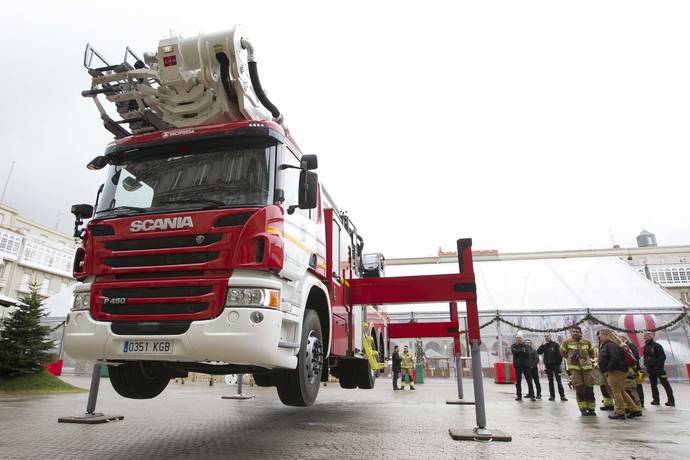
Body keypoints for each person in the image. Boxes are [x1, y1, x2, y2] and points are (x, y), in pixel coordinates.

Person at [598, 329, 642, 419]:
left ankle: (620, 412)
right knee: (621, 391)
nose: (599, 336)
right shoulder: (613, 344)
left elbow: (615, 357)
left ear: (606, 335)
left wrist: (608, 369)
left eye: (601, 335)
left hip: (615, 371)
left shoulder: (610, 345)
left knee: (616, 392)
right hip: (620, 370)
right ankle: (634, 409)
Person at [560, 326, 597, 416]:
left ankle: (591, 408)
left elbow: (592, 353)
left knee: (589, 388)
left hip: (587, 368)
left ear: (580, 332)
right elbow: (563, 353)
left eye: (577, 332)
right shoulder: (566, 342)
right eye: (573, 332)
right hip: (574, 368)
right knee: (579, 388)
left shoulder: (587, 342)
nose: (575, 333)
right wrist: (570, 358)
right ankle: (583, 408)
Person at [643, 331, 675, 407]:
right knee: (653, 385)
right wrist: (646, 364)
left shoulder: (657, 346)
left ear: (650, 336)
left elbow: (663, 357)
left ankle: (671, 400)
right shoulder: (645, 347)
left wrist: (657, 365)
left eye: (645, 336)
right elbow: (645, 357)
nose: (644, 337)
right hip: (650, 369)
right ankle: (656, 400)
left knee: (665, 384)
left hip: (659, 369)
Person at [537, 333, 567, 401]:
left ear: (550, 337)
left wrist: (558, 364)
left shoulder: (555, 344)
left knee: (559, 381)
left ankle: (562, 396)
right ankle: (552, 396)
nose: (546, 337)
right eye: (545, 336)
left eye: (547, 336)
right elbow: (538, 352)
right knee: (550, 381)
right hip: (548, 366)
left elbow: (559, 356)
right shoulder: (544, 345)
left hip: (555, 365)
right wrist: (542, 345)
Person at [511, 335, 535, 401]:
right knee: (518, 381)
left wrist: (519, 352)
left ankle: (532, 395)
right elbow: (514, 353)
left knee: (529, 381)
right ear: (516, 339)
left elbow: (527, 354)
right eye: (518, 338)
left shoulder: (526, 346)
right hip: (518, 365)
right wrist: (522, 351)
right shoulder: (513, 346)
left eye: (520, 338)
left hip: (526, 365)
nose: (519, 339)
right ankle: (519, 396)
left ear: (522, 339)